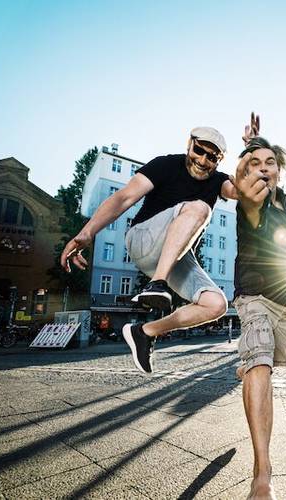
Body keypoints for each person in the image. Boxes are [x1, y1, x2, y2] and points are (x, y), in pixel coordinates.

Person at [60, 126, 239, 374]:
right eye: (199, 151)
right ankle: (157, 284)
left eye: (212, 157)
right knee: (199, 208)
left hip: (176, 256)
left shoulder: (218, 180)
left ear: (218, 161)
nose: (202, 161)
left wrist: (252, 150)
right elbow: (124, 198)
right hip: (142, 240)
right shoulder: (165, 165)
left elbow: (244, 192)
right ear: (189, 144)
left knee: (216, 304)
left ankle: (145, 332)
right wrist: (87, 232)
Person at [233, 136, 286, 500]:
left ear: (280, 169)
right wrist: (245, 170)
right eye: (255, 164)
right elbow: (248, 199)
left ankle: (248, 365)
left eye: (270, 162)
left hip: (284, 304)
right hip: (254, 297)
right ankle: (262, 474)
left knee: (278, 357)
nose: (263, 168)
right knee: (261, 365)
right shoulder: (252, 201)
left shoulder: (284, 205)